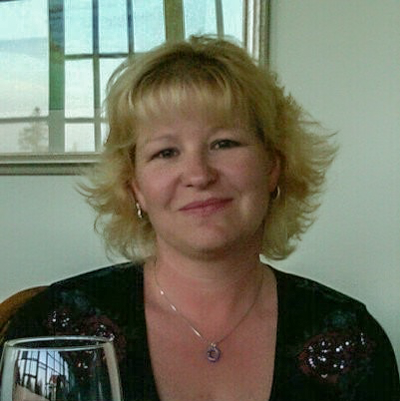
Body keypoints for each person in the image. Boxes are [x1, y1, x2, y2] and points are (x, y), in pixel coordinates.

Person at [1, 35, 399, 400]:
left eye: (224, 143)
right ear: (135, 188)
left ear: (273, 167)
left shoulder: (352, 337)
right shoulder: (53, 332)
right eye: (166, 152)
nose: (198, 174)